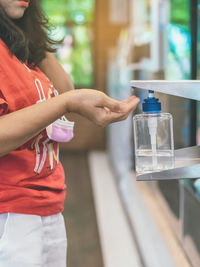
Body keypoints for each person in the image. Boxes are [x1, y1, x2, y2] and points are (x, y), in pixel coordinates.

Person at [0, 0, 140, 266]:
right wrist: (68, 103)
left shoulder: (18, 46)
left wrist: (33, 34)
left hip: (48, 203)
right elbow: (66, 99)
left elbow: (65, 87)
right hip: (9, 211)